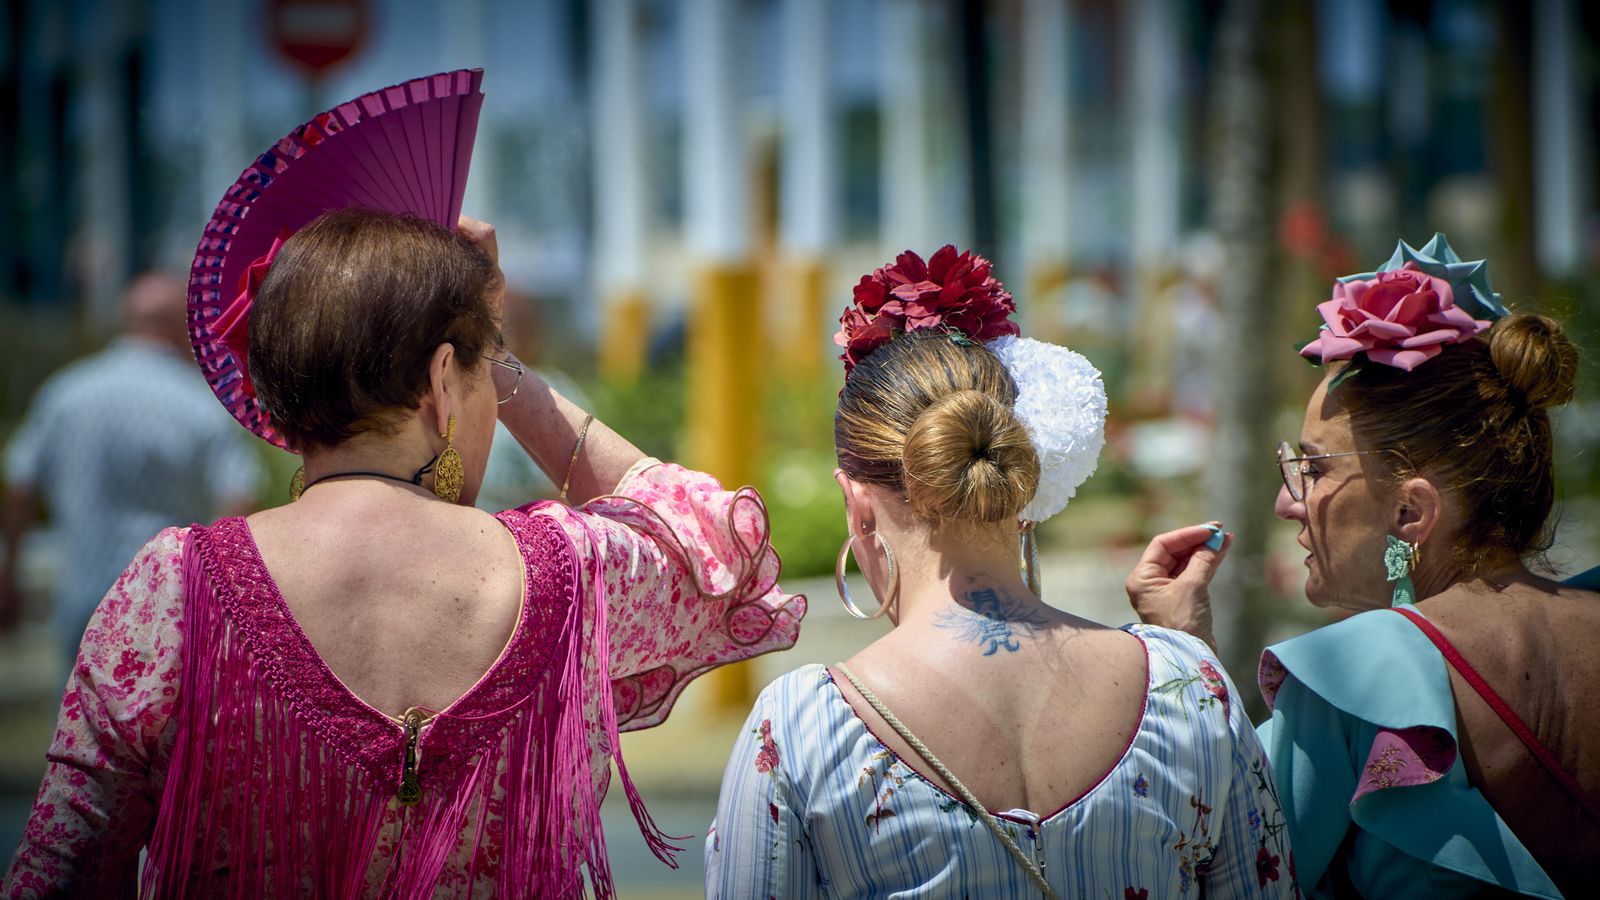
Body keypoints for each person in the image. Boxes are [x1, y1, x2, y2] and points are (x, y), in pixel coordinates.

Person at [2, 209, 805, 897]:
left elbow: (61, 869)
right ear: (440, 380)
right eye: (481, 372)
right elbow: (718, 543)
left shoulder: (175, 587)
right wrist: (499, 357)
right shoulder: (570, 571)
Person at [706, 247, 1296, 898]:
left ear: (858, 506)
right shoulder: (1188, 688)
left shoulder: (803, 728)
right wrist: (1185, 657)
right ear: (1018, 476)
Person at [1132, 235, 1598, 897]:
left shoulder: (1354, 677)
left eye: (1313, 469)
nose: (1287, 502)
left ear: (1411, 512)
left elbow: (1212, 865)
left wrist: (1185, 660)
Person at [0, 272, 263, 656]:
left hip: (81, 596)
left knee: (77, 694)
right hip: (166, 605)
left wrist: (9, 573)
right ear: (179, 329)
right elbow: (238, 495)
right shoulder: (198, 405)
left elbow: (21, 483)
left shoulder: (66, 392)